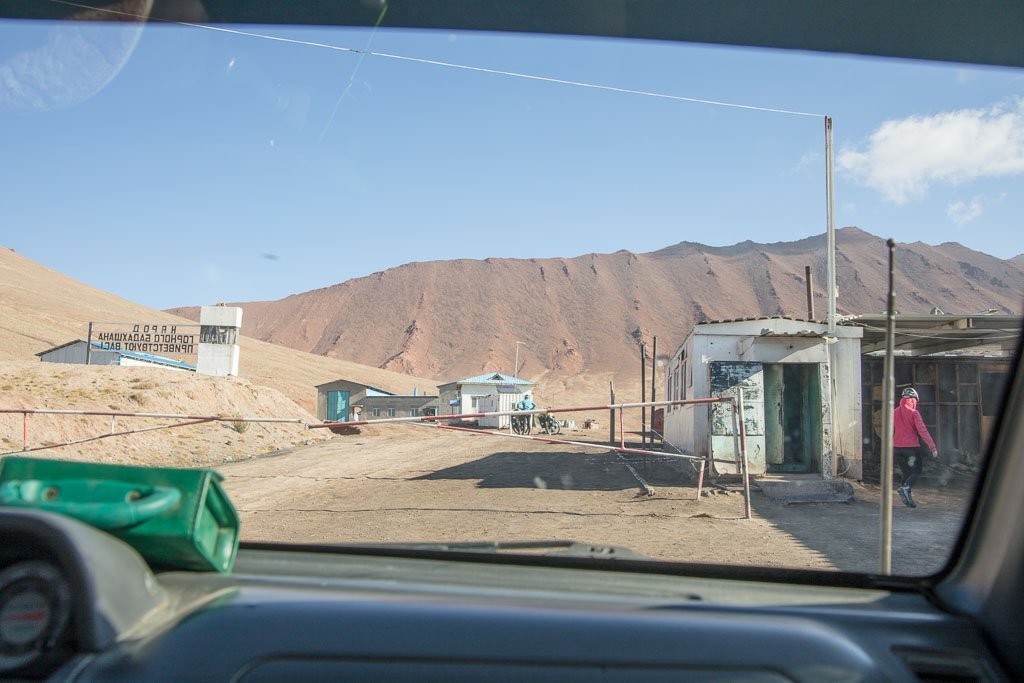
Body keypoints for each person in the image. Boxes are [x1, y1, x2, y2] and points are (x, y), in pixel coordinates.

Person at [892, 387, 938, 508]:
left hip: (897, 448)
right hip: (911, 448)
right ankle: (905, 488)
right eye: (916, 401)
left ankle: (907, 498)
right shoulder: (914, 413)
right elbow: (922, 431)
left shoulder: (894, 412)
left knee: (907, 473)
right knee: (917, 472)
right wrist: (932, 447)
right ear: (913, 400)